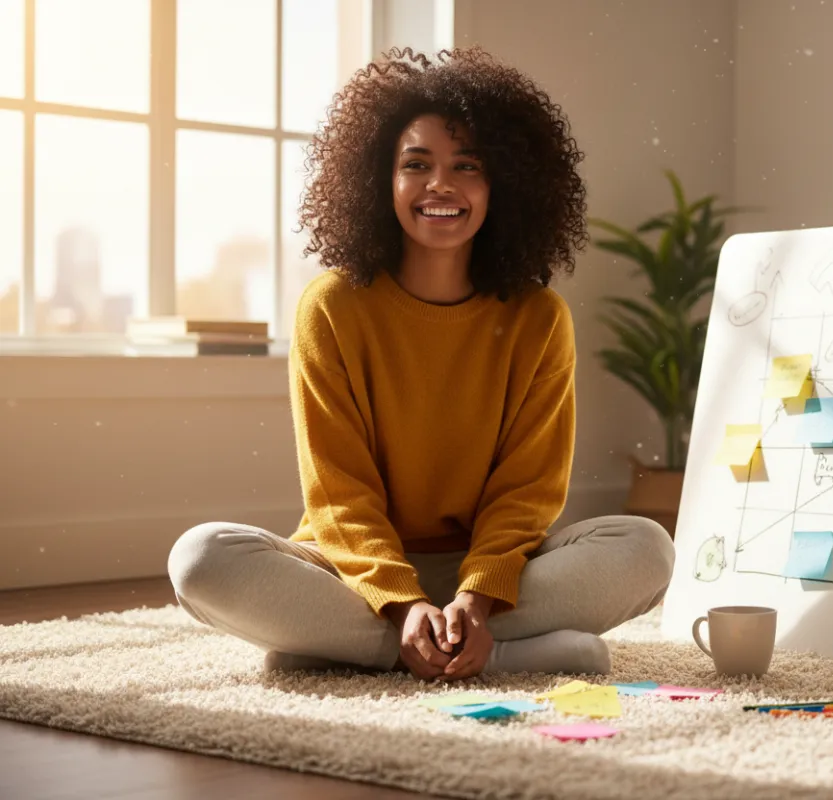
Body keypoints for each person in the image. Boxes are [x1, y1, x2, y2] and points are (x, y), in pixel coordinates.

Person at [166, 47, 675, 682]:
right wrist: (401, 601)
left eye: (467, 166)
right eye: (417, 164)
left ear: (503, 186)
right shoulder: (331, 307)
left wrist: (475, 595)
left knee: (645, 548)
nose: (442, 185)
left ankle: (345, 649)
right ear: (381, 179)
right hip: (355, 572)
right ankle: (496, 652)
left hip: (490, 575)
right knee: (201, 558)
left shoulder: (538, 317)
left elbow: (527, 492)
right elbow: (338, 493)